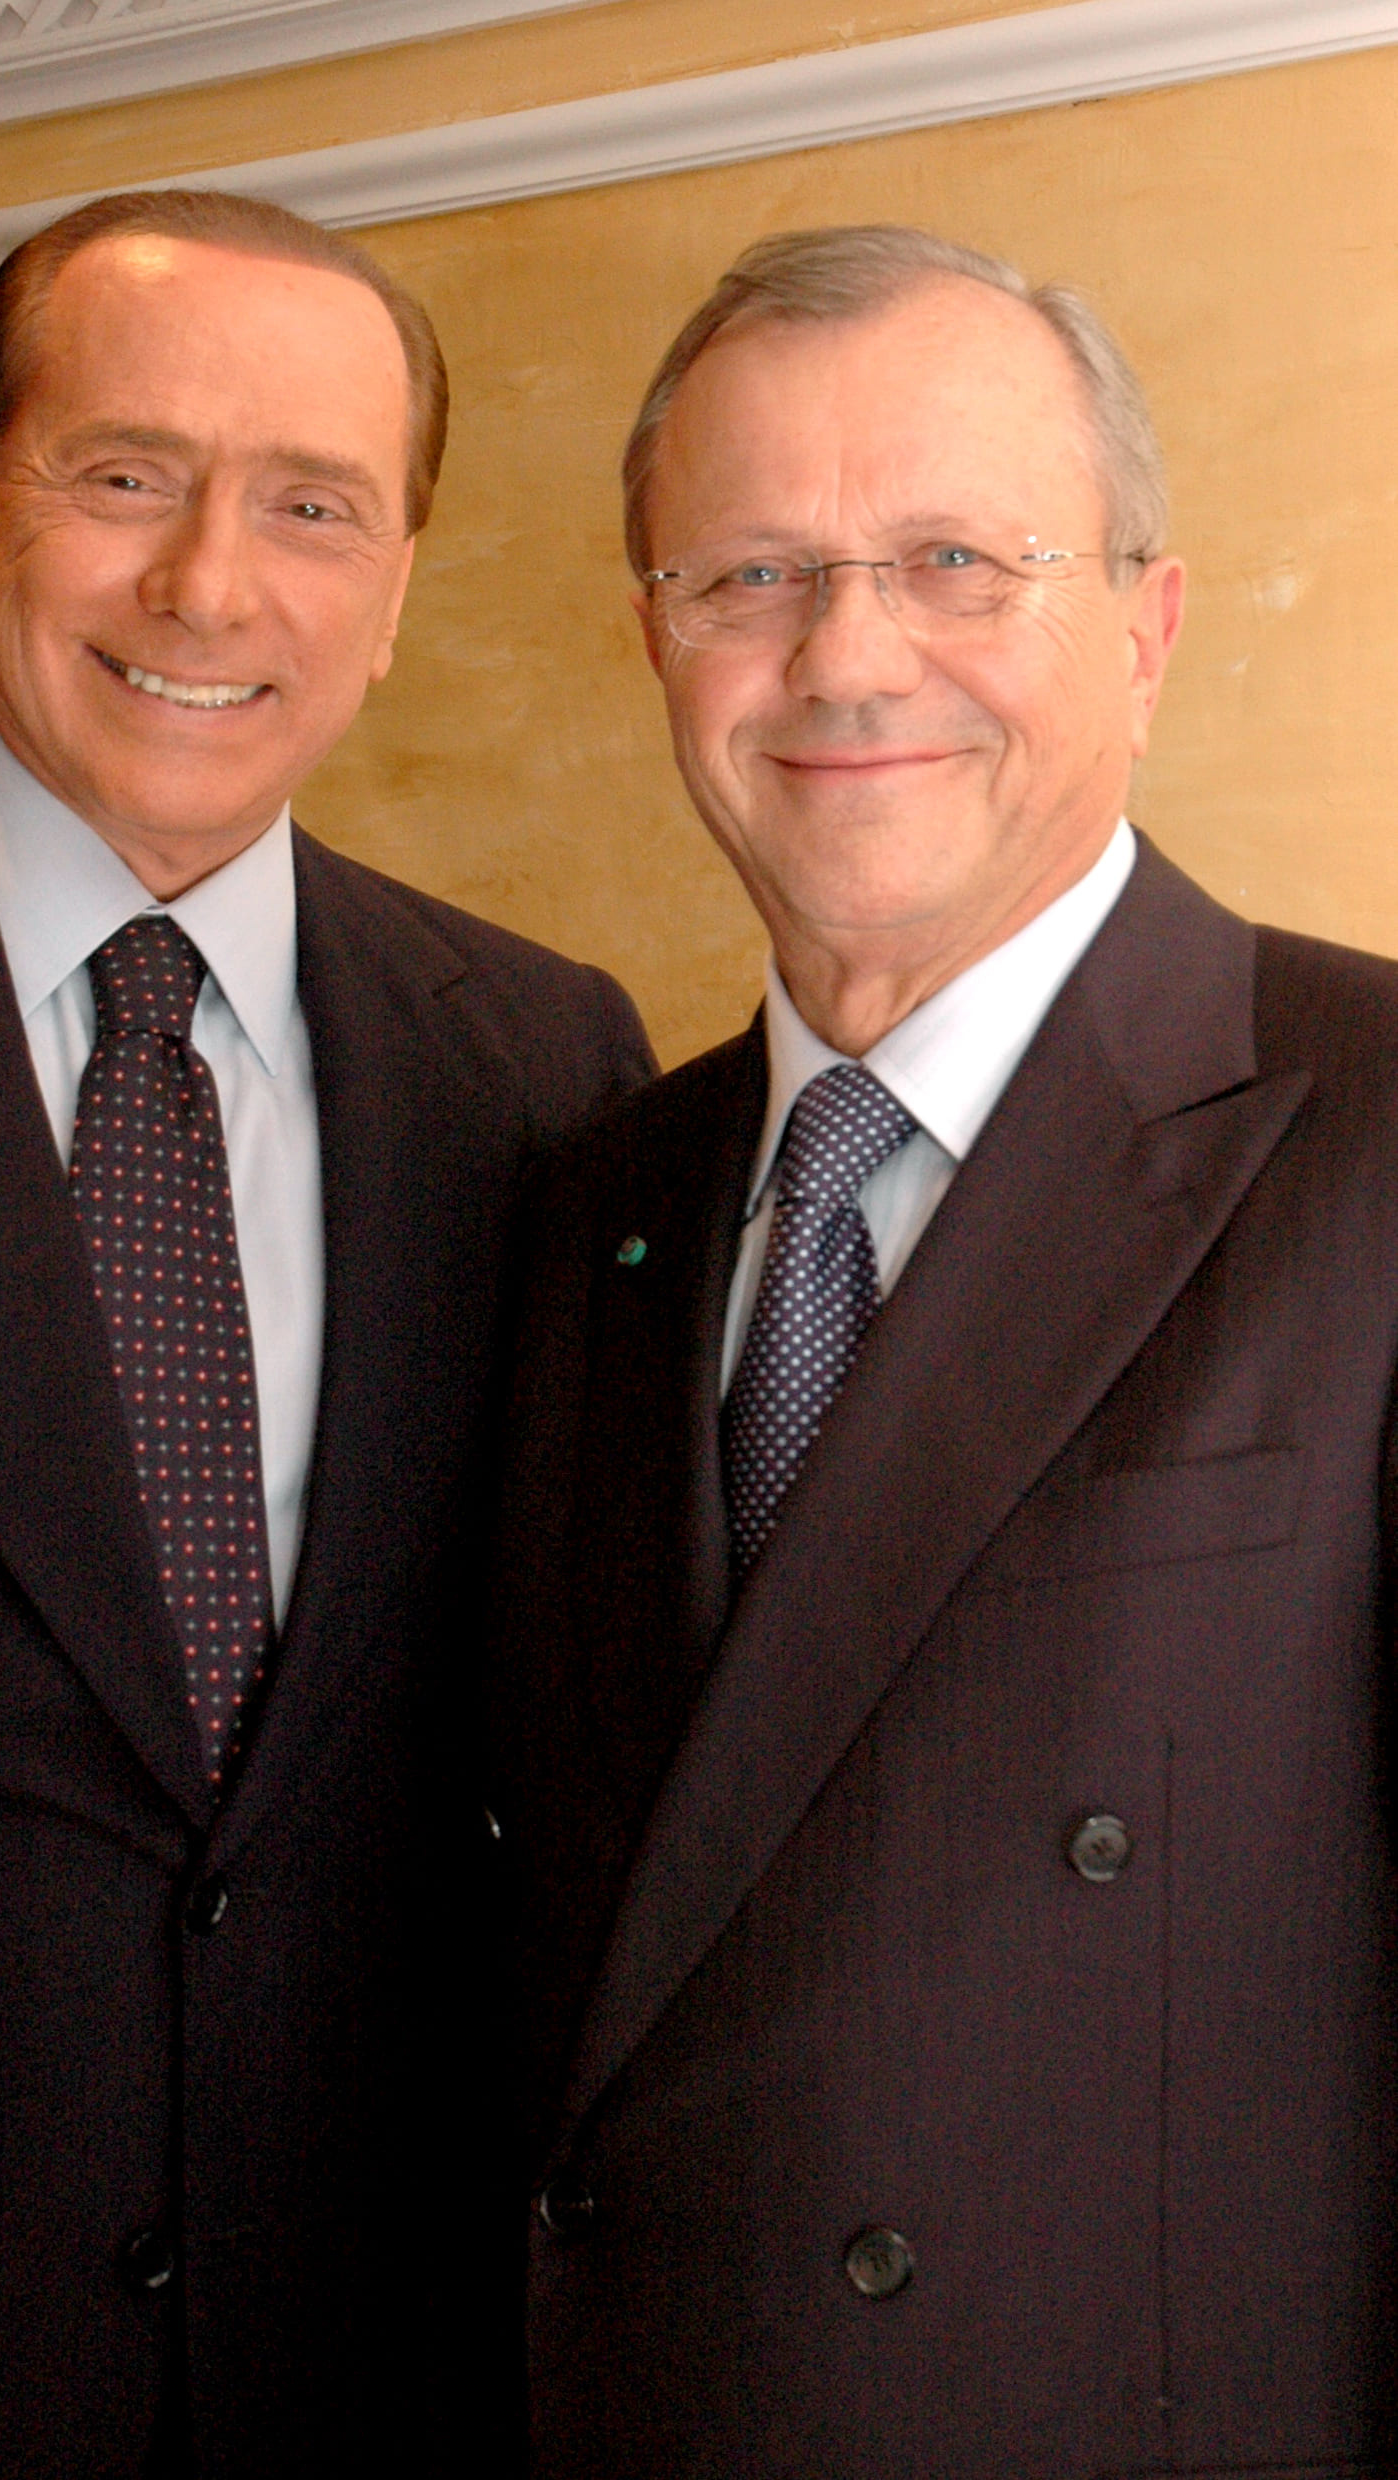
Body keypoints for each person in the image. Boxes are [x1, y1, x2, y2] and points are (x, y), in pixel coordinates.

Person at [0, 188, 650, 2477]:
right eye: (124, 473)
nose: (209, 583)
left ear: (393, 587)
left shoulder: (540, 1059)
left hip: (354, 2384)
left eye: (313, 507)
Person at [491, 224, 1398, 2477]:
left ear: (1145, 628)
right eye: (751, 577)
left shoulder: (1377, 1128)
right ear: (656, 641)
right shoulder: (582, 1199)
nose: (846, 655)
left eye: (954, 562)